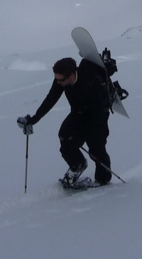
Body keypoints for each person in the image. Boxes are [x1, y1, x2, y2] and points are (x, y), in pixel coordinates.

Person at [17, 56, 113, 186]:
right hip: (78, 113)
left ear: (72, 76)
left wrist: (85, 133)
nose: (58, 82)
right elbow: (50, 99)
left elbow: (98, 112)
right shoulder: (60, 80)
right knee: (65, 137)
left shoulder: (90, 81)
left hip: (97, 115)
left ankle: (103, 180)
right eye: (56, 79)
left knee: (96, 149)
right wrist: (34, 119)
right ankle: (77, 165)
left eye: (61, 80)